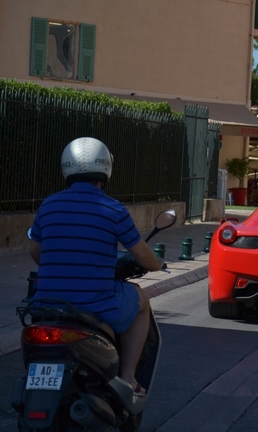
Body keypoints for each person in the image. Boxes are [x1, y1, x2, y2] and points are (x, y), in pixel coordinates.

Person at [28, 137, 164, 397]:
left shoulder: (48, 205)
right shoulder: (113, 209)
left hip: (48, 303)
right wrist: (156, 263)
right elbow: (142, 256)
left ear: (66, 168)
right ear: (105, 170)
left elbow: (36, 252)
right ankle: (127, 378)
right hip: (96, 304)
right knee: (141, 300)